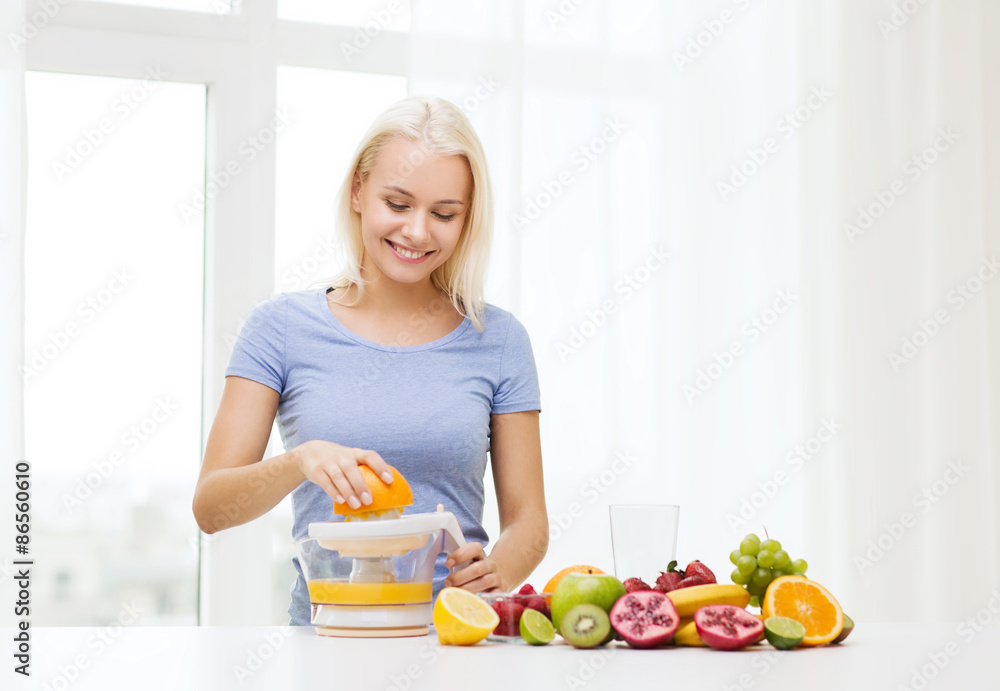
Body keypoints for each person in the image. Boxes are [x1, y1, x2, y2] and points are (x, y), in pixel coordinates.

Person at [192, 95, 548, 626]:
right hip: (326, 629)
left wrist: (496, 570)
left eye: (444, 214)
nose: (418, 232)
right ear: (358, 190)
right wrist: (300, 460)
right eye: (398, 205)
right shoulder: (281, 329)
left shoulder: (498, 339)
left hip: (457, 632)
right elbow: (211, 509)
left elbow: (529, 521)